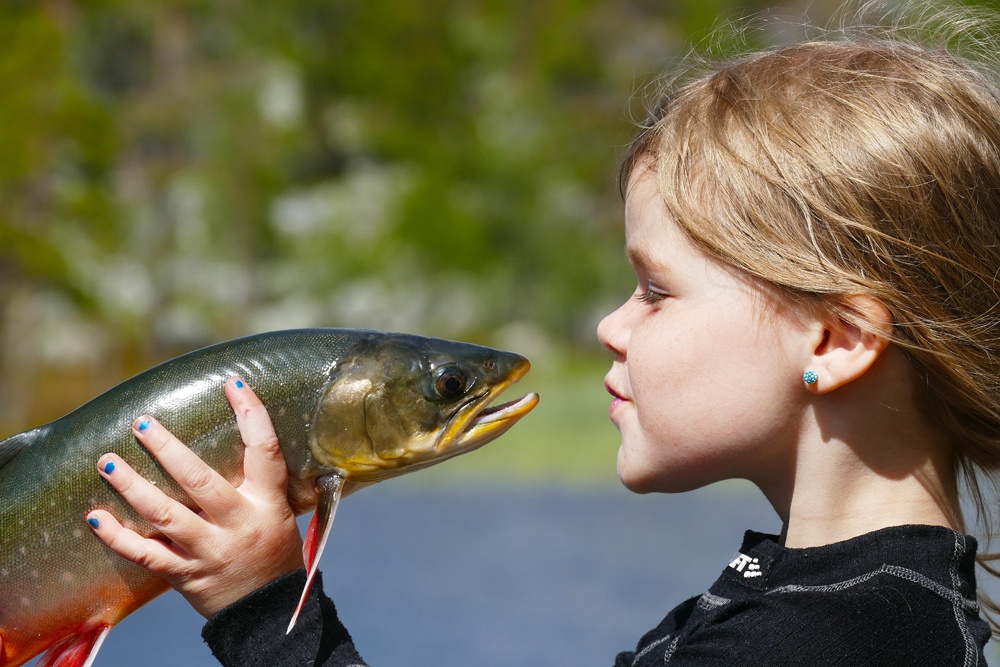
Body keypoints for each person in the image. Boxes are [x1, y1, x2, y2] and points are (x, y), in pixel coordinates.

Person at [87, 9, 1000, 666]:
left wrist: (265, 611)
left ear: (838, 339)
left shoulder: (823, 640)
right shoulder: (820, 597)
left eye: (655, 290)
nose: (610, 326)